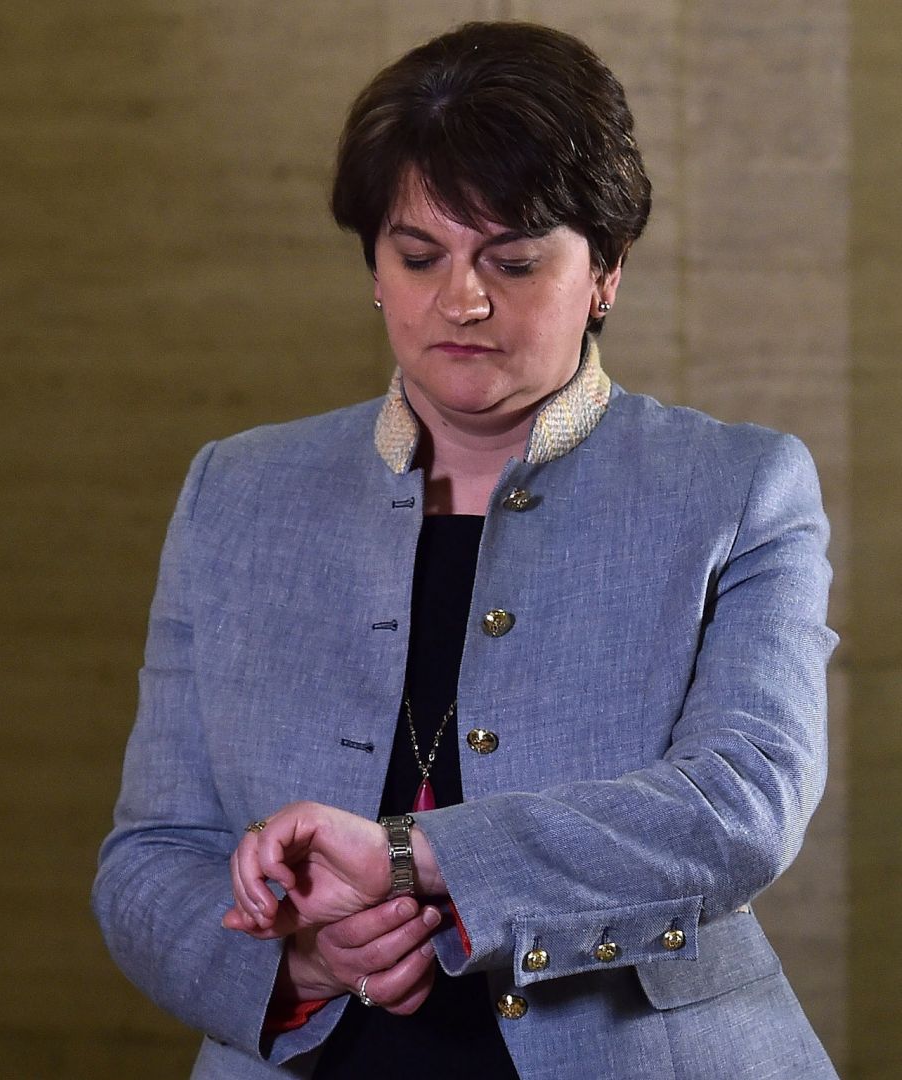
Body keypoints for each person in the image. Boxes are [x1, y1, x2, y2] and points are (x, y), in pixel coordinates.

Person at [93, 21, 839, 1079]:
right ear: (375, 269)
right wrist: (301, 964)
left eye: (516, 260)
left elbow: (741, 804)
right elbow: (148, 860)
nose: (463, 300)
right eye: (418, 256)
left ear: (607, 270)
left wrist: (414, 857)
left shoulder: (738, 486)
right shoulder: (238, 491)